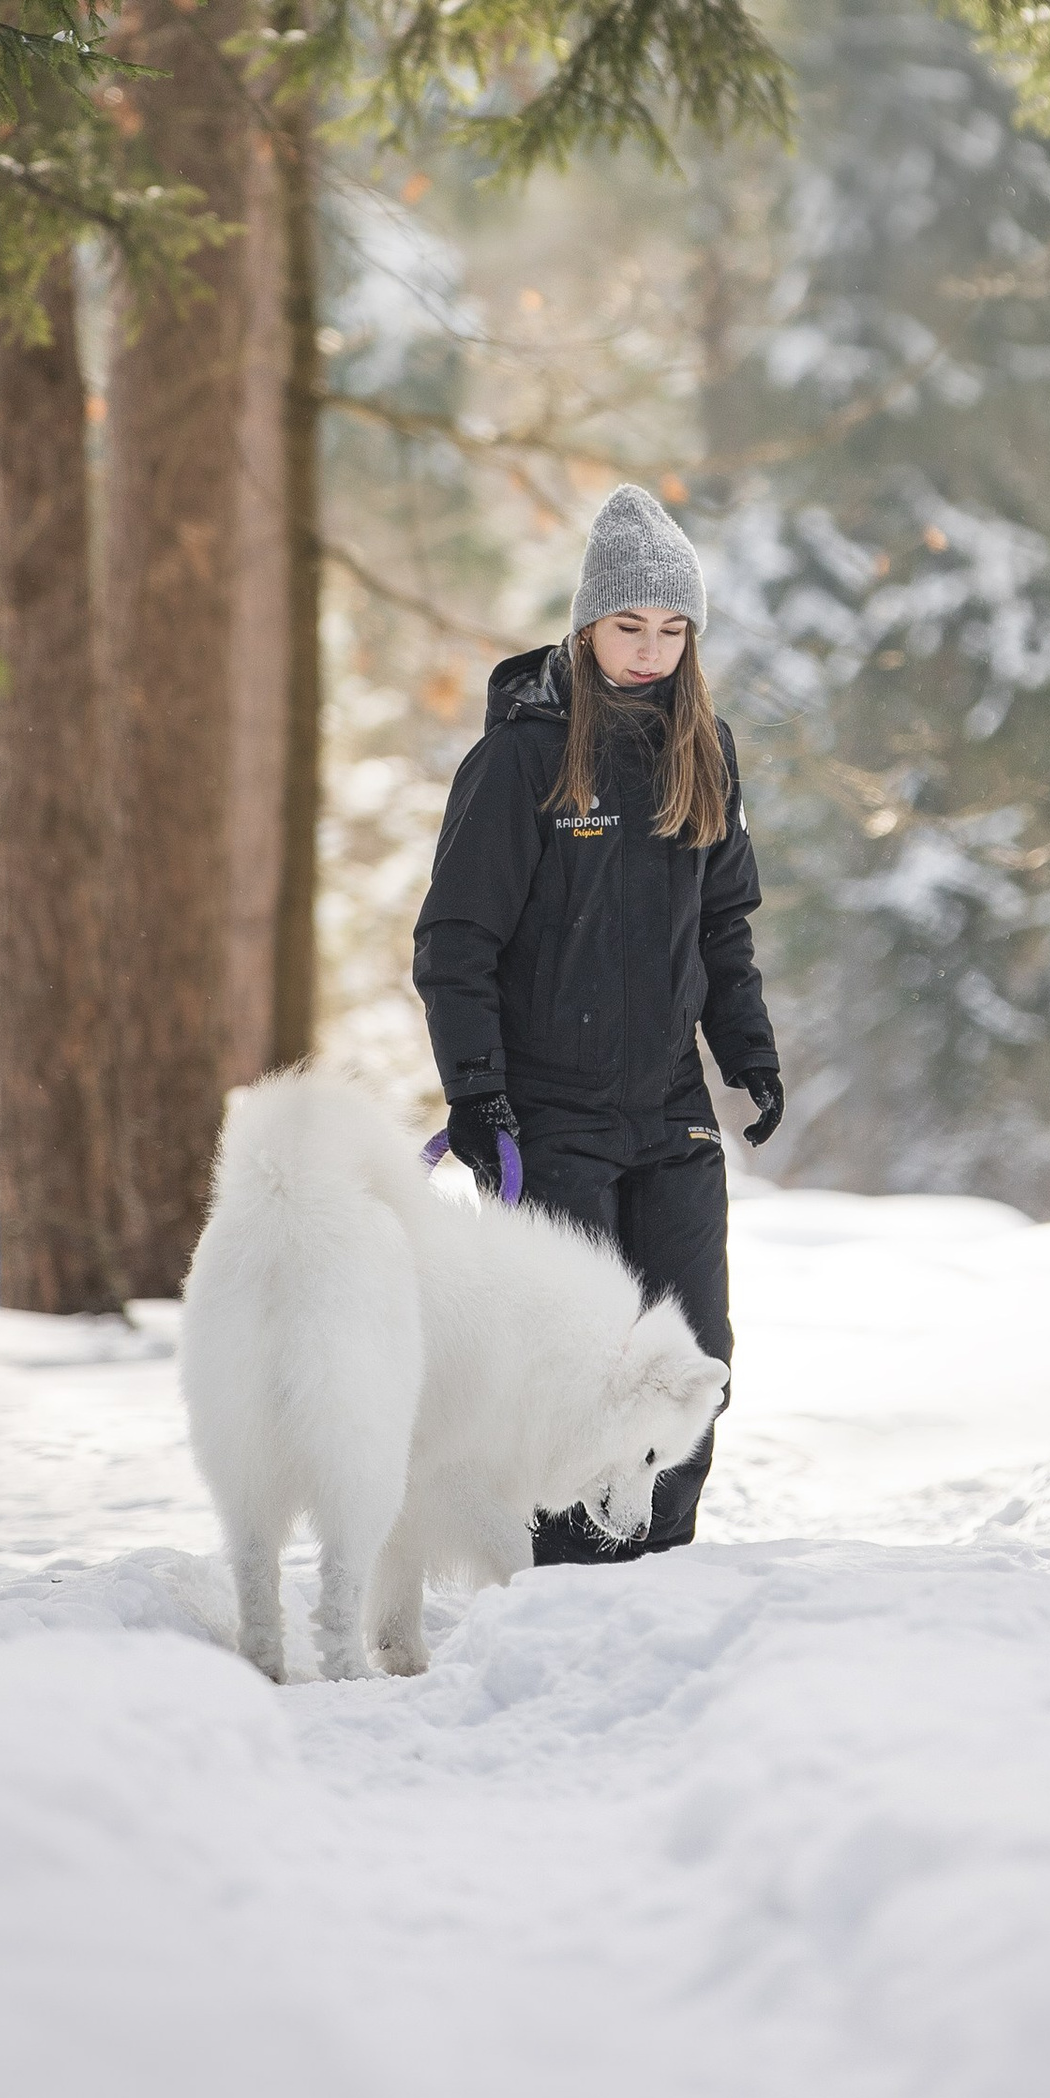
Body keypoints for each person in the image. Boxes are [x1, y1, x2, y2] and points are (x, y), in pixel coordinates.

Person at [411, 484, 782, 1557]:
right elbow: (455, 942)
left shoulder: (702, 747)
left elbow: (724, 927)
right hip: (546, 1120)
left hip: (669, 1113)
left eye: (673, 629)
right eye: (629, 625)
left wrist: (745, 1053)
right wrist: (476, 1090)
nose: (651, 649)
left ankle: (657, 1577)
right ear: (584, 625)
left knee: (691, 1360)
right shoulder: (523, 758)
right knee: (572, 1370)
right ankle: (568, 1593)